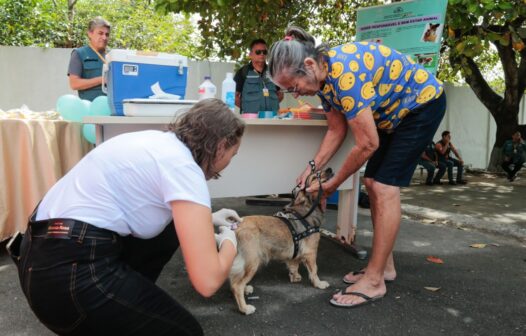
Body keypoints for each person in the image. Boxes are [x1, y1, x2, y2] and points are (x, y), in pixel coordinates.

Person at [12, 99, 244, 335]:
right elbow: (208, 282)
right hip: (70, 279)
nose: (227, 164)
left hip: (40, 259)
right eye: (232, 155)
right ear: (221, 146)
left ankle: (126, 303)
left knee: (171, 229)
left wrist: (206, 219)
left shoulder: (153, 142)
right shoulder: (184, 169)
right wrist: (230, 242)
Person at [268, 26, 446, 308]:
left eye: (292, 86)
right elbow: (336, 131)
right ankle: (384, 267)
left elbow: (367, 144)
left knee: (383, 186)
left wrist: (332, 184)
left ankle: (375, 281)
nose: (295, 94)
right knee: (371, 183)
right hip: (393, 116)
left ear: (310, 65)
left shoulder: (344, 75)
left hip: (421, 105)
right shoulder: (324, 82)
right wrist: (313, 166)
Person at [234, 39, 283, 114]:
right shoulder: (243, 72)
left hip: (272, 118)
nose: (262, 54)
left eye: (264, 52)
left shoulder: (273, 72)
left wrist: (273, 105)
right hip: (250, 119)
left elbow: (280, 94)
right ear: (250, 54)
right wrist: (247, 108)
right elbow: (234, 96)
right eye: (258, 52)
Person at [68, 17, 110, 101]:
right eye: (100, 33)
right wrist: (101, 80)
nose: (104, 37)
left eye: (107, 34)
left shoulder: (113, 55)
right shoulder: (79, 53)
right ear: (90, 33)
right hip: (91, 108)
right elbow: (74, 84)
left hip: (112, 108)